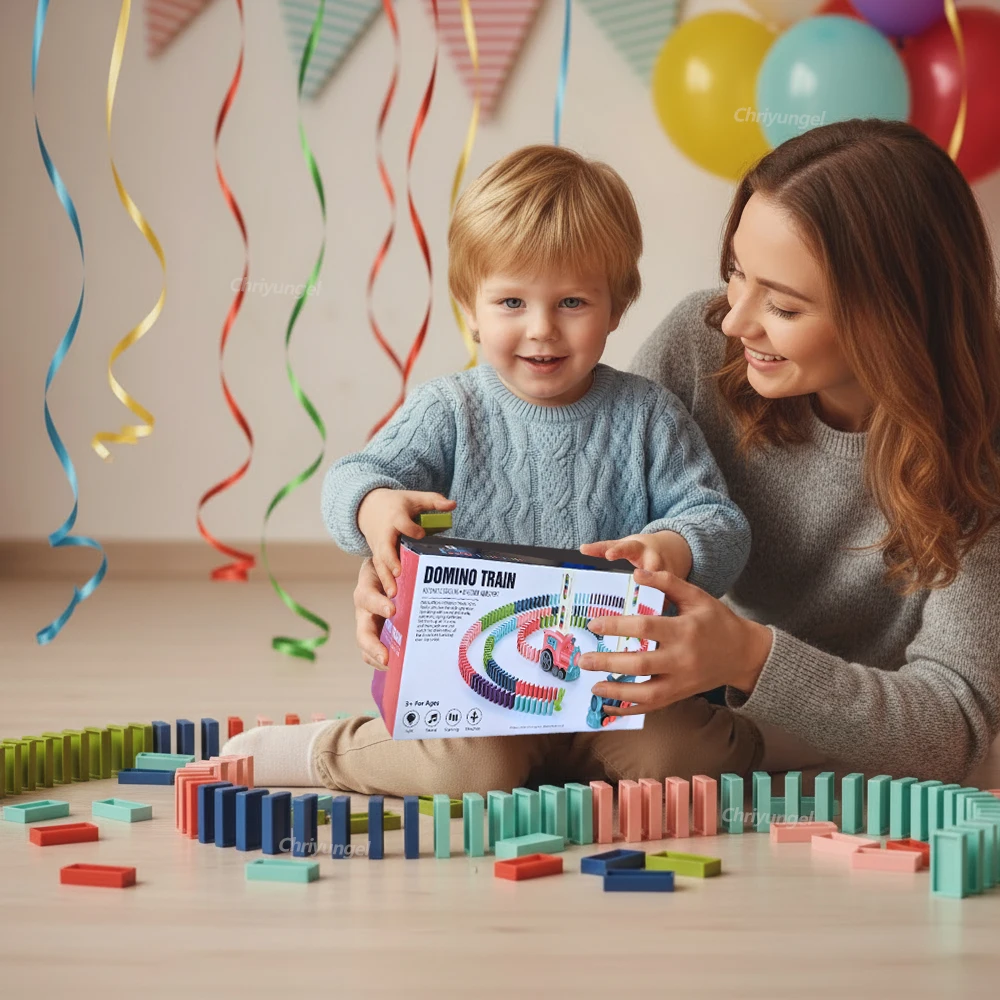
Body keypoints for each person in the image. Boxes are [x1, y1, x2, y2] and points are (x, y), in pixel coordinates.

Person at [350, 119, 1000, 789]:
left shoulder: (980, 441)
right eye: (736, 276)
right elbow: (595, 509)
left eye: (781, 304)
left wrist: (747, 654)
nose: (734, 320)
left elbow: (956, 731)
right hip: (676, 704)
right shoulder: (701, 342)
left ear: (891, 316)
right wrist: (400, 558)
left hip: (822, 732)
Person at [224, 144, 758, 792]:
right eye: (511, 303)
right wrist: (374, 506)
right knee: (472, 769)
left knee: (683, 761)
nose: (541, 330)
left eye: (571, 303)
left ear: (616, 308)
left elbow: (718, 520)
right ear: (468, 307)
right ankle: (330, 750)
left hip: (613, 679)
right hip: (473, 680)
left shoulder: (646, 413)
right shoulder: (449, 410)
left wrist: (671, 546)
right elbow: (353, 476)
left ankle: (577, 758)